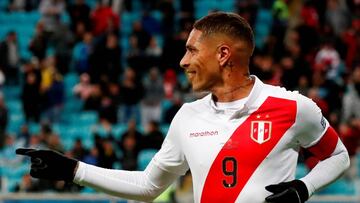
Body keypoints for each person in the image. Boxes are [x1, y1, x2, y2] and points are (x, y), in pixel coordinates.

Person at [16, 12, 349, 203]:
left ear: (223, 55)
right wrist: (73, 170)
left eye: (192, 50)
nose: (183, 61)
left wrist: (305, 188)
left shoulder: (292, 106)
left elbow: (338, 156)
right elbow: (149, 186)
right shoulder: (188, 116)